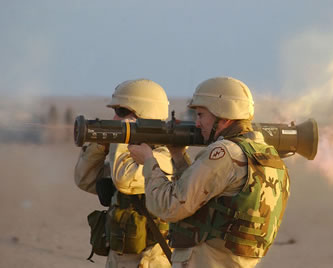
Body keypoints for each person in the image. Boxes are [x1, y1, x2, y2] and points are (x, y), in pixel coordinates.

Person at [128, 76, 290, 268]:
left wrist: (148, 161)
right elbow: (207, 201)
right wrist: (179, 157)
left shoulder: (224, 153)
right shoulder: (267, 155)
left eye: (201, 115)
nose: (197, 123)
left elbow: (170, 206)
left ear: (223, 115)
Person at [74, 79, 172, 268]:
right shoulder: (126, 156)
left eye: (121, 112)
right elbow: (84, 180)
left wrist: (123, 136)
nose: (116, 119)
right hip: (120, 258)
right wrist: (100, 146)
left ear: (144, 113)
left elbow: (124, 181)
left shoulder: (163, 156)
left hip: (150, 261)